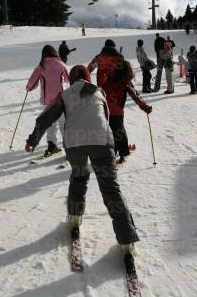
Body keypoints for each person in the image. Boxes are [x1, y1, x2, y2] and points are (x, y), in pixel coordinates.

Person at [25, 65, 139, 254]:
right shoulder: (99, 92)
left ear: (70, 79)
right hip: (101, 141)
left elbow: (46, 117)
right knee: (110, 188)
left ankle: (75, 218)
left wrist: (33, 140)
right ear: (88, 77)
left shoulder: (66, 94)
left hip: (74, 143)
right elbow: (107, 117)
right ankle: (127, 240)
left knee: (78, 178)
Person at [103, 61, 152, 163]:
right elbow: (136, 96)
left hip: (105, 111)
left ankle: (112, 151)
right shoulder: (125, 83)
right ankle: (122, 153)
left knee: (110, 132)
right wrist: (145, 107)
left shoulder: (108, 79)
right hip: (117, 112)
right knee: (119, 132)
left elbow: (101, 91)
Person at [26, 45, 69, 157]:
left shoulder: (41, 67)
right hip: (61, 100)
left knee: (49, 123)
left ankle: (52, 145)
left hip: (47, 101)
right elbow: (69, 79)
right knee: (63, 123)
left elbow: (32, 83)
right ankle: (69, 148)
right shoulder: (61, 64)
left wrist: (28, 88)